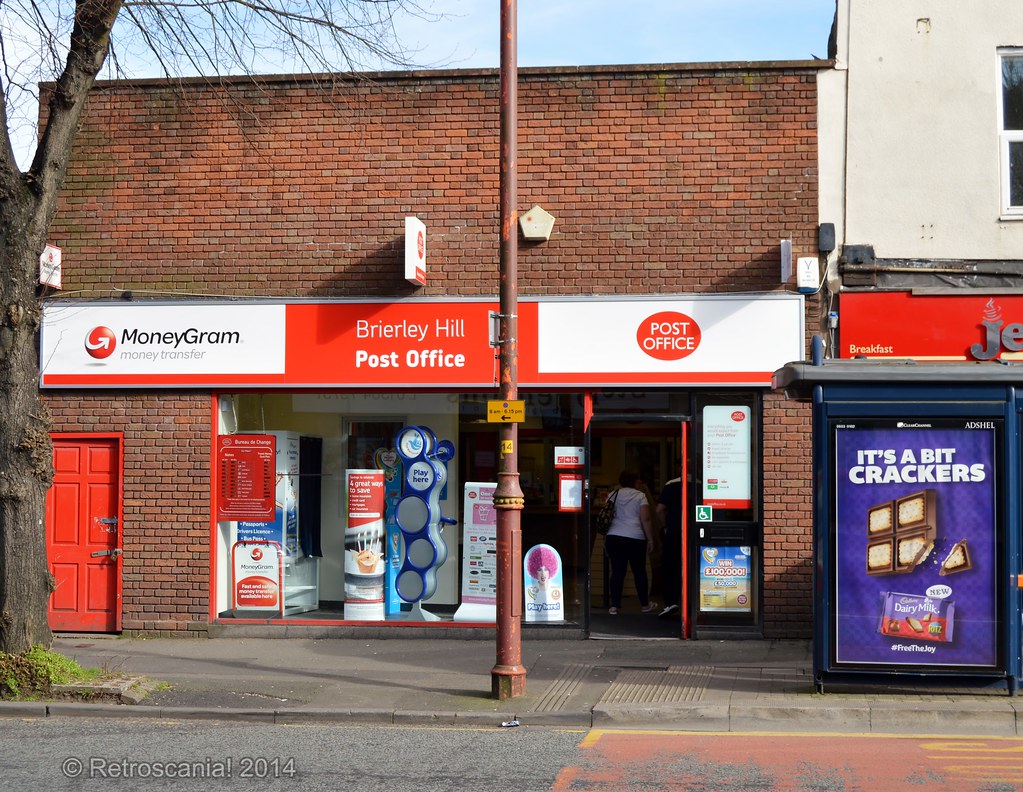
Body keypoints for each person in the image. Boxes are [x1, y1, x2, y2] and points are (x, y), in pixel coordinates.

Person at [604, 470, 657, 615]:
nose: (640, 483)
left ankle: (614, 606)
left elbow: (607, 514)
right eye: (639, 480)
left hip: (614, 536)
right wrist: (651, 539)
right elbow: (645, 519)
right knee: (639, 571)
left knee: (617, 571)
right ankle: (645, 605)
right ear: (634, 481)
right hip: (635, 537)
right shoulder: (640, 496)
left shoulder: (613, 494)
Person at [656, 474, 683, 619]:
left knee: (670, 566)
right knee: (691, 567)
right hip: (695, 532)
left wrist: (665, 525)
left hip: (673, 532)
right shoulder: (701, 483)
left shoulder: (671, 484)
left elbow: (659, 509)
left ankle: (671, 602)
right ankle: (691, 602)